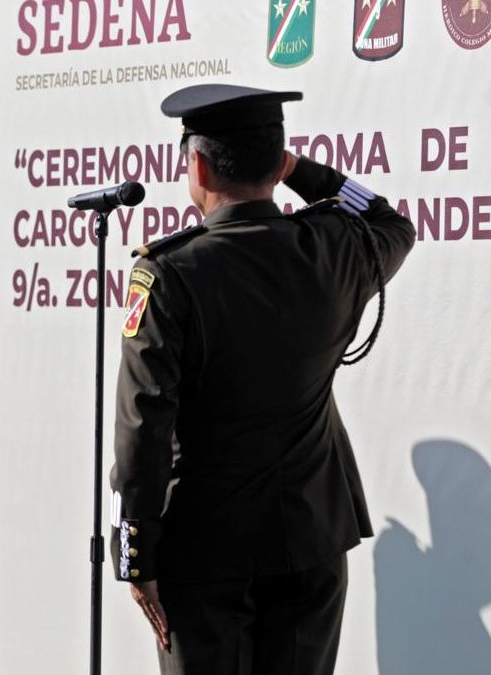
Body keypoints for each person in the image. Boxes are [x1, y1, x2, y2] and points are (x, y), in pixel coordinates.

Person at [110, 84, 415, 675]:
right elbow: (389, 220)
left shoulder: (169, 273)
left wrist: (138, 557)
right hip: (312, 540)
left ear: (196, 165)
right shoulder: (333, 247)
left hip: (205, 553)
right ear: (278, 164)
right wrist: (299, 171)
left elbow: (143, 424)